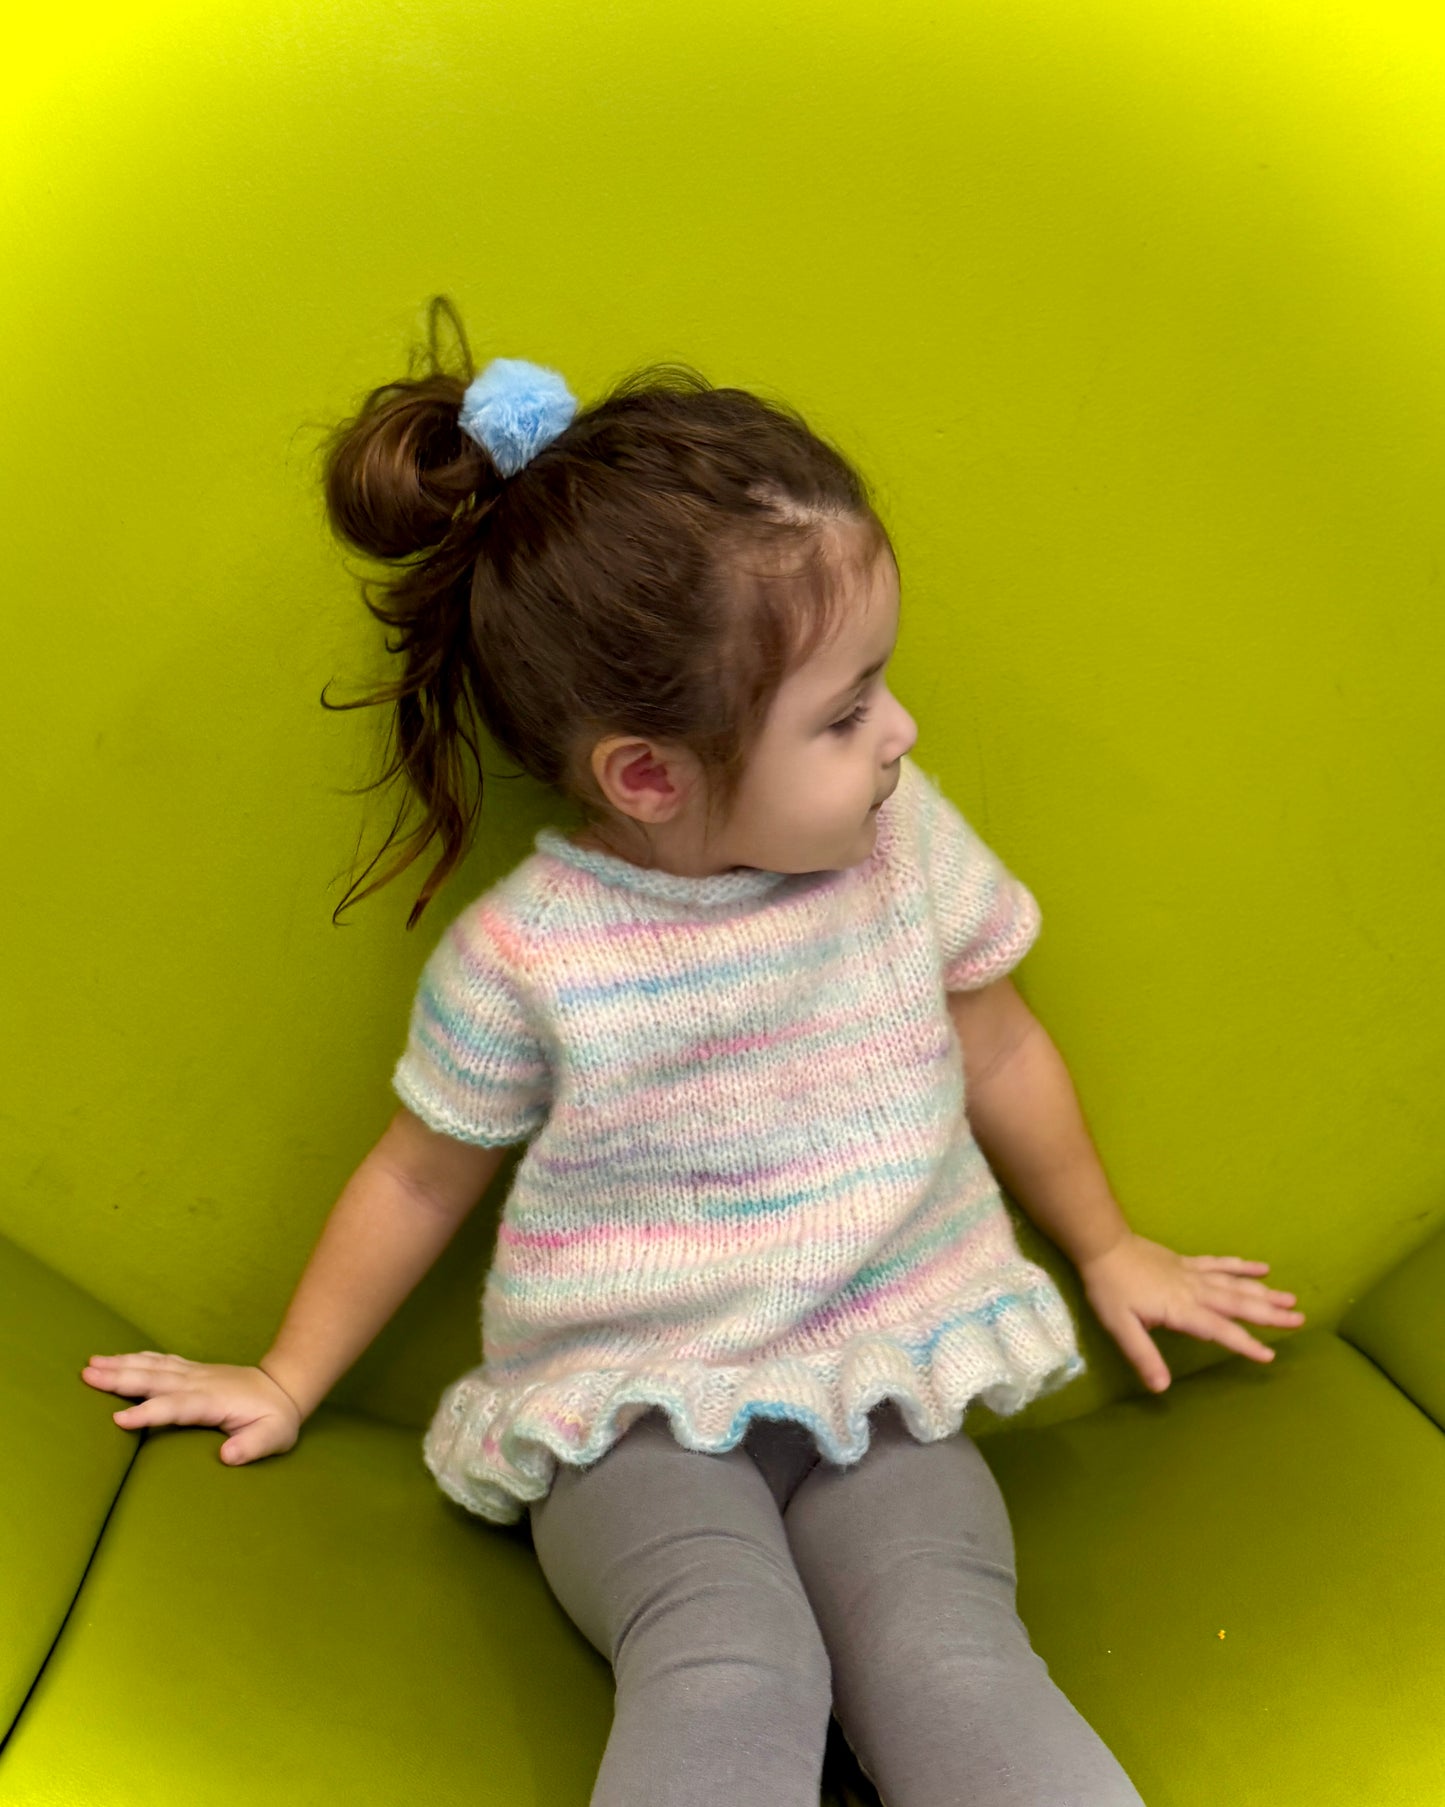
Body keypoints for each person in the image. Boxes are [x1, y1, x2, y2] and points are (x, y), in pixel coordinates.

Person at [80, 295, 1306, 1807]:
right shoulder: (532, 961)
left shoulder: (901, 850)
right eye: (847, 711)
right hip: (631, 1411)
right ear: (649, 776)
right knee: (734, 1657)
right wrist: (283, 1374)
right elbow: (415, 1177)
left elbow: (994, 1046)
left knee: (947, 1651)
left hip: (886, 1376)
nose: (903, 732)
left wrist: (1110, 1247)